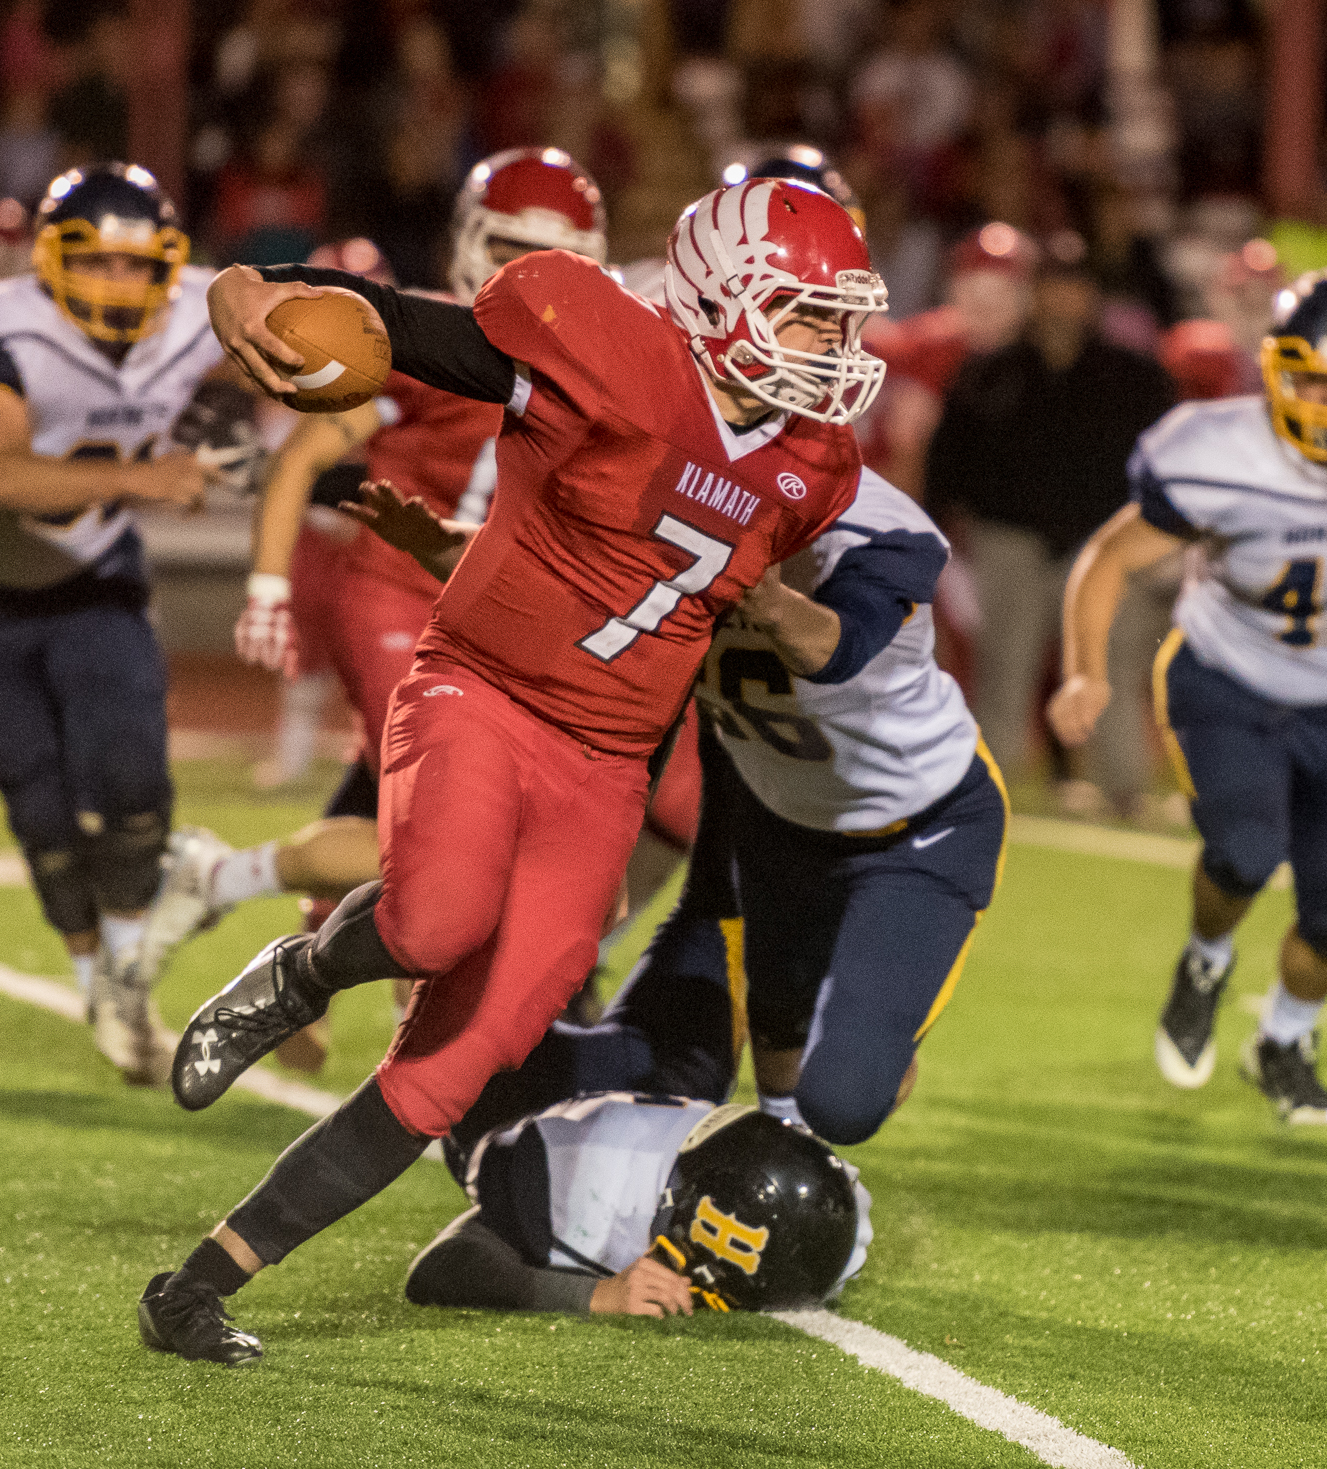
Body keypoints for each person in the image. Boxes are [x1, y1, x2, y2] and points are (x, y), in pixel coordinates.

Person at [136, 177, 887, 1366]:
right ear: (719, 298)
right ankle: (300, 972)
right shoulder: (600, 344)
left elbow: (691, 584)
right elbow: (408, 325)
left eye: (840, 319)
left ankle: (199, 1284)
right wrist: (250, 288)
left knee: (451, 1069)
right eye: (805, 314)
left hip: (606, 763)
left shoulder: (816, 464)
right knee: (435, 918)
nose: (831, 347)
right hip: (483, 686)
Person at [365, 461, 1003, 1151]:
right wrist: (441, 550)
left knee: (842, 1101)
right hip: (771, 818)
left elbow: (836, 647)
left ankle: (863, 1054)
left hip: (917, 827)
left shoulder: (879, 527)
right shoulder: (683, 501)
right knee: (760, 1075)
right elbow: (561, 586)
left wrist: (770, 603)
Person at [138, 150, 614, 1069]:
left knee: (400, 804)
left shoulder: (593, 363)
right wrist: (270, 583)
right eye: (509, 247)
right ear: (471, 243)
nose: (526, 273)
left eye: (551, 256)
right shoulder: (433, 342)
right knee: (443, 844)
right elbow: (305, 456)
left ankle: (266, 919)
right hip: (401, 597)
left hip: (494, 626)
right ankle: (263, 910)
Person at [1047, 269, 1327, 1124]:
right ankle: (1207, 956)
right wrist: (1085, 669)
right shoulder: (1222, 450)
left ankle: (1283, 1039)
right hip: (1227, 680)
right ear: (1277, 371)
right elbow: (1108, 557)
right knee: (1246, 849)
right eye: (1317, 379)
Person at [0, 164, 242, 1084]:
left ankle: (129, 979)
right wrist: (148, 476)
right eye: (95, 262)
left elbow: (272, 346)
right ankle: (94, 978)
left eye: (134, 266)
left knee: (134, 779)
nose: (117, 283)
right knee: (43, 815)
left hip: (95, 577)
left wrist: (237, 421)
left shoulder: (196, 309)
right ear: (50, 260)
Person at [924, 237, 1175, 812]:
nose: (1064, 299)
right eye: (1053, 287)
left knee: (1107, 658)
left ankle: (1126, 788)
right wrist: (941, 531)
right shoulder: (990, 371)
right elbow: (949, 458)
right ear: (1034, 294)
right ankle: (988, 782)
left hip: (1102, 540)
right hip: (1009, 537)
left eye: (1074, 288)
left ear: (1091, 297)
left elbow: (1167, 458)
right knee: (1005, 662)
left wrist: (1162, 534)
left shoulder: (1132, 374)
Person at [402, 1095, 869, 1321]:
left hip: (643, 1075)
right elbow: (441, 1266)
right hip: (500, 1105)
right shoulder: (566, 1178)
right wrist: (596, 1295)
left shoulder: (818, 1188)